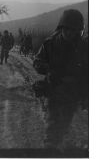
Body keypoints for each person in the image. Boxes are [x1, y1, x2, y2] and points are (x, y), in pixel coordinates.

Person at [33, 9, 89, 149]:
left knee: (63, 126)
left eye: (76, 30)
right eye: (68, 29)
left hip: (73, 94)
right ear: (62, 27)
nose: (71, 33)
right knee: (52, 132)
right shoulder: (50, 43)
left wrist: (86, 95)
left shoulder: (84, 46)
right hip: (55, 92)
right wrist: (49, 70)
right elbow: (37, 62)